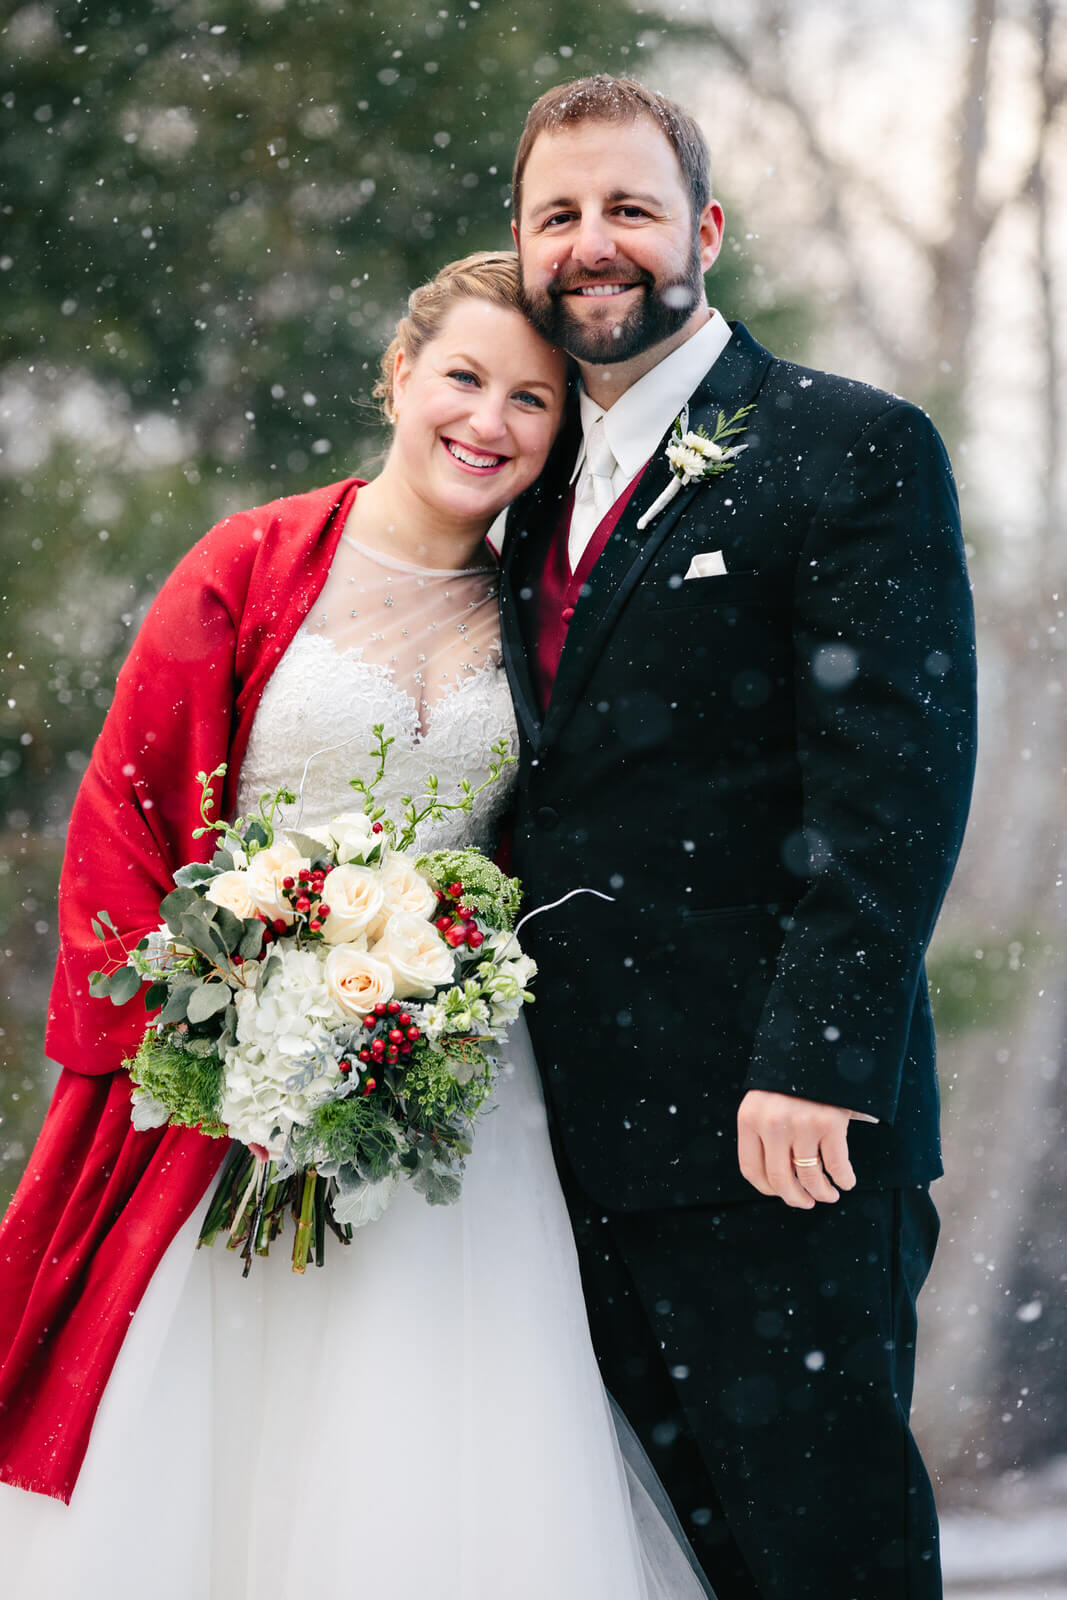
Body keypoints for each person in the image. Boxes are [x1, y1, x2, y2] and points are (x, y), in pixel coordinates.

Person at [0, 252, 714, 1599]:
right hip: (221, 1091)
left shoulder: (548, 615)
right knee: (211, 1432)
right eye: (465, 378)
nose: (490, 421)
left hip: (455, 1102)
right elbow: (124, 811)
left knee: (438, 1440)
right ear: (398, 377)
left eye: (535, 401)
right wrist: (187, 1032)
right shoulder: (253, 562)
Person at [500, 76, 978, 1600]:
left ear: (703, 228)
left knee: (820, 1558)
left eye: (630, 207)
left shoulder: (850, 448)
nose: (595, 244)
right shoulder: (508, 491)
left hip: (780, 1141)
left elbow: (893, 787)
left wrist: (816, 1060)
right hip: (554, 1149)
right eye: (557, 215)